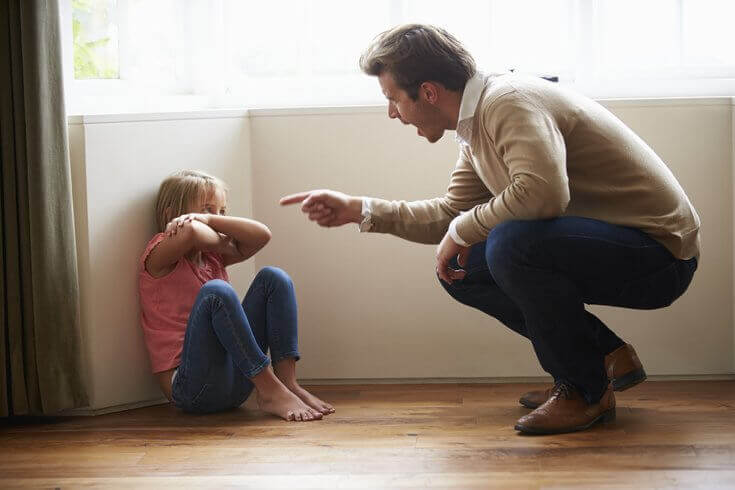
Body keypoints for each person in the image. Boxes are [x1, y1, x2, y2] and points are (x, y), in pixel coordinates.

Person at [280, 24, 700, 434]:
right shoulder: (474, 122)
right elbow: (452, 213)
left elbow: (542, 194)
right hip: (616, 246)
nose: (392, 113)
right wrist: (359, 210)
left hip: (660, 255)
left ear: (428, 92)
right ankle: (597, 360)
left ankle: (585, 391)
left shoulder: (507, 102)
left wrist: (463, 228)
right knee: (462, 270)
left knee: (510, 244)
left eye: (393, 99)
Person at [138, 169, 334, 421]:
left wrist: (207, 219)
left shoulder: (212, 257)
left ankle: (286, 385)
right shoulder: (158, 255)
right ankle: (271, 390)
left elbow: (262, 234)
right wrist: (219, 236)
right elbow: (192, 233)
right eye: (206, 209)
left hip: (236, 384)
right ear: (170, 215)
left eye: (222, 212)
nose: (216, 219)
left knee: (274, 278)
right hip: (191, 389)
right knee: (217, 292)